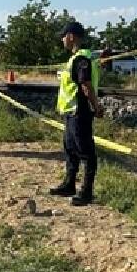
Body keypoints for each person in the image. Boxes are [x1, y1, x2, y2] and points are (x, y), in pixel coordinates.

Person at [49, 21, 104, 206]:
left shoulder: (82, 59)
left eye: (63, 36)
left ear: (71, 36)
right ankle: (69, 184)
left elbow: (86, 85)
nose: (62, 40)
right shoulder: (75, 59)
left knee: (86, 153)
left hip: (80, 112)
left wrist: (96, 107)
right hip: (71, 112)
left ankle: (86, 192)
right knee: (70, 150)